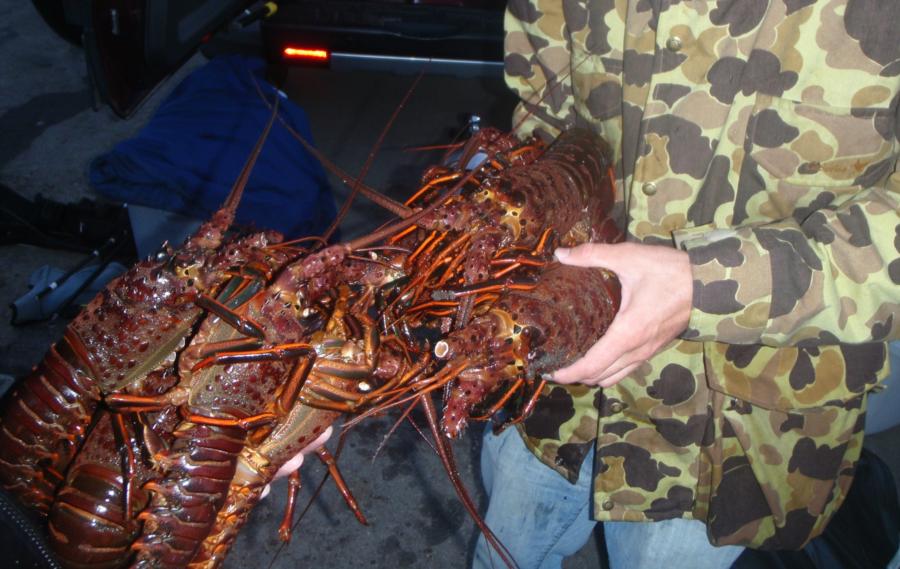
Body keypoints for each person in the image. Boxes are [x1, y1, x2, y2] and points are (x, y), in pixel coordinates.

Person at [473, 1, 900, 568]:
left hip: (726, 426)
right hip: (549, 385)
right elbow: (544, 103)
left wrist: (707, 283)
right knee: (503, 551)